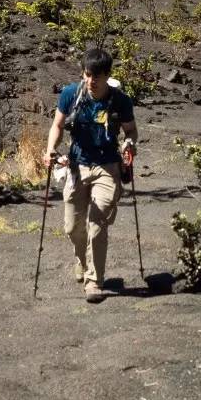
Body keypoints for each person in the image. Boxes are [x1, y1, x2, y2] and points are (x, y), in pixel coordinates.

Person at [44, 47, 137, 303]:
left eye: (97, 76)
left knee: (97, 224)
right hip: (77, 164)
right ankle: (81, 261)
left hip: (107, 166)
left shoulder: (120, 101)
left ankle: (94, 282)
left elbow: (131, 131)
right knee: (72, 227)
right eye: (87, 74)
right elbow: (58, 125)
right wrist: (51, 149)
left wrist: (129, 144)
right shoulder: (70, 95)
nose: (91, 81)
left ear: (108, 75)